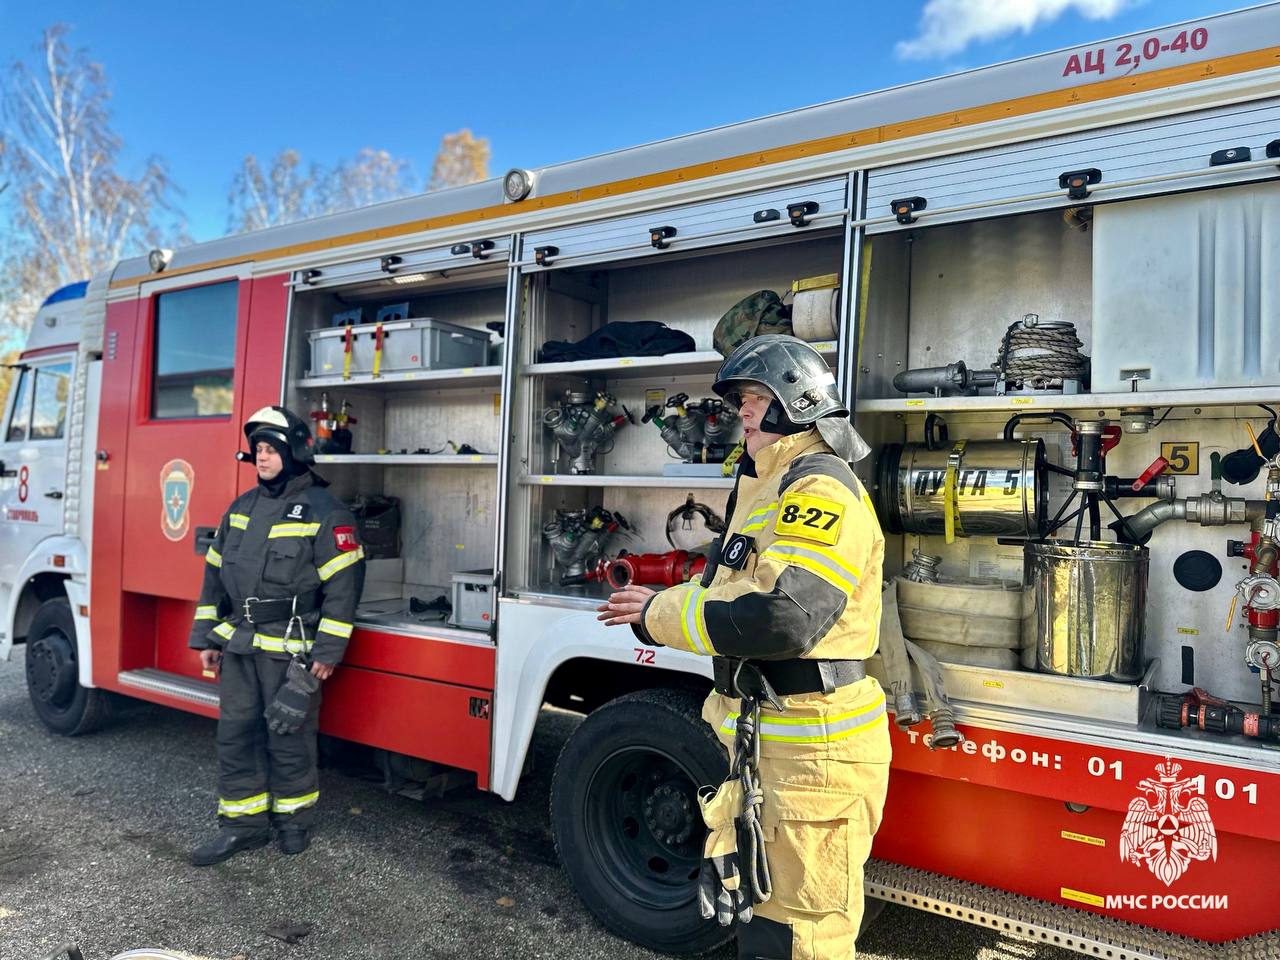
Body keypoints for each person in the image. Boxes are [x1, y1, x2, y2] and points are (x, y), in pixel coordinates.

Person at [598, 335, 889, 959]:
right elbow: (738, 586)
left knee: (800, 936)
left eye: (756, 398)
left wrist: (660, 614)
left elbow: (784, 616)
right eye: (742, 400)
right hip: (776, 746)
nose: (743, 412)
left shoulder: (819, 489)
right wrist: (661, 601)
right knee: (766, 922)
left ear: (799, 401)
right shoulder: (769, 485)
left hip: (814, 757)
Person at [188, 406, 365, 866]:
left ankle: (294, 822)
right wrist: (207, 638)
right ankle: (242, 826)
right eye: (258, 450)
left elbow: (344, 586)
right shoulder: (242, 509)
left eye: (270, 450)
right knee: (235, 734)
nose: (261, 458)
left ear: (294, 453)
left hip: (291, 649)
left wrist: (328, 651)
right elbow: (213, 577)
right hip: (241, 644)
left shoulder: (328, 511)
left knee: (289, 735)